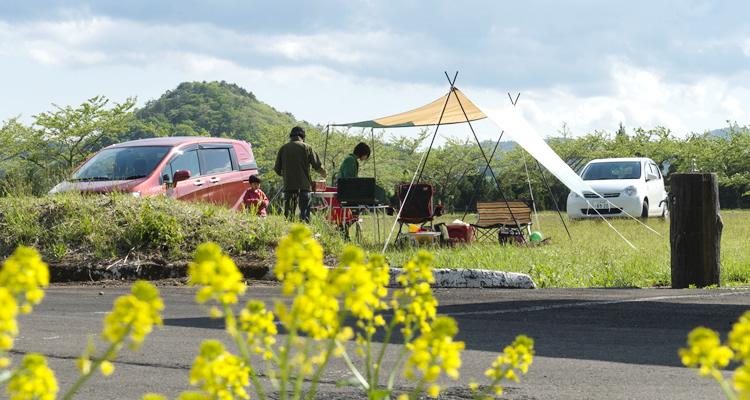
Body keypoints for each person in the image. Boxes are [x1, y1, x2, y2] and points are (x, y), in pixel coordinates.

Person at [274, 126, 326, 222]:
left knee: (289, 217)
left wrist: (287, 175)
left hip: (289, 186)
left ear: (291, 136)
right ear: (303, 136)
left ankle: (288, 234)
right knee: (304, 216)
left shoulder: (283, 148)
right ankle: (304, 234)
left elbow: (277, 169)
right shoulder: (307, 147)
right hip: (304, 187)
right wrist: (324, 174)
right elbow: (317, 166)